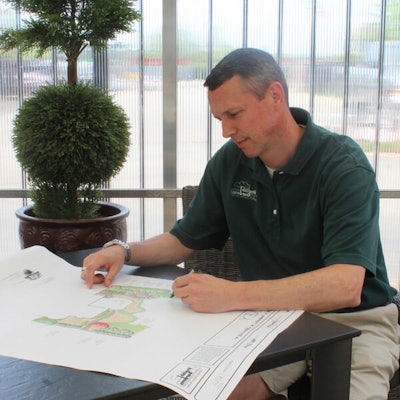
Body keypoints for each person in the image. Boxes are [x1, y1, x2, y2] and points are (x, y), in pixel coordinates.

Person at [81, 48, 399, 400]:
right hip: (270, 320)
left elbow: (345, 286)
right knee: (212, 392)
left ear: (275, 96)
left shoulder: (343, 166)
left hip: (356, 320)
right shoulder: (231, 162)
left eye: (234, 114)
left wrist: (231, 295)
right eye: (219, 118)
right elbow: (183, 239)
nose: (225, 131)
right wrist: (124, 251)